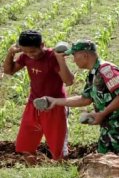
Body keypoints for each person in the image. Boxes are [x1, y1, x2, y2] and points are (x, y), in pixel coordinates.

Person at [45, 40, 119, 161]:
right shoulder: (93, 74)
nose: (74, 60)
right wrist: (55, 101)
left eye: (74, 55)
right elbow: (85, 99)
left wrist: (102, 114)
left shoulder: (106, 70)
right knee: (104, 162)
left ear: (85, 55)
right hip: (109, 126)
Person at [2, 30, 74, 162]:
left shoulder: (52, 57)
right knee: (25, 146)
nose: (30, 55)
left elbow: (68, 81)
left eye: (33, 51)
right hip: (33, 104)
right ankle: (33, 170)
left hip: (54, 105)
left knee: (58, 151)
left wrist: (60, 59)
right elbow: (8, 71)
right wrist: (10, 53)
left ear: (42, 45)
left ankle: (60, 171)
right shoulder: (25, 57)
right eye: (26, 51)